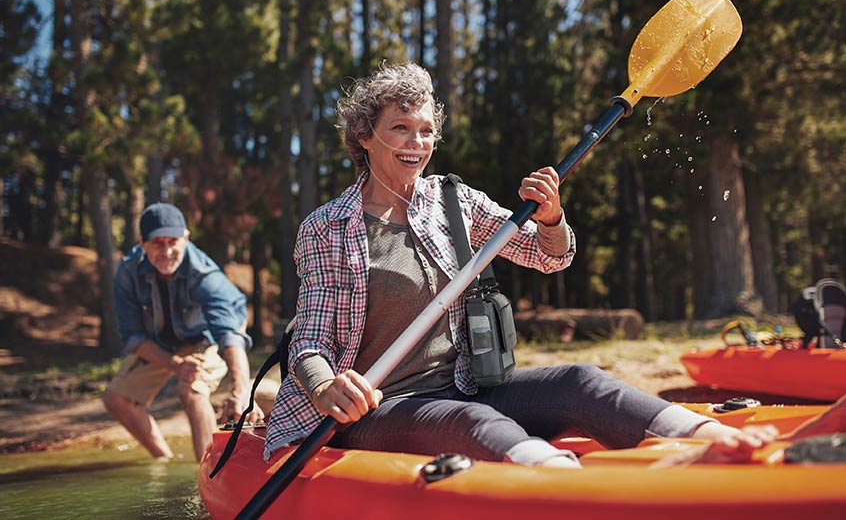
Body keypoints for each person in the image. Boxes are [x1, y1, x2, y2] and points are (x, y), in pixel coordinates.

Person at [264, 61, 775, 467]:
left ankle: (720, 441)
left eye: (425, 130)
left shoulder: (452, 201)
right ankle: (564, 486)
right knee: (468, 421)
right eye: (400, 128)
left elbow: (546, 256)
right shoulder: (328, 227)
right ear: (364, 137)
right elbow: (311, 340)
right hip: (376, 408)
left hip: (463, 383)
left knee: (580, 380)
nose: (416, 143)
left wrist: (552, 218)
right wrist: (326, 384)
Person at [103, 203, 264, 461]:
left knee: (192, 388)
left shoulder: (203, 273)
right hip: (162, 342)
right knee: (116, 399)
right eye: (157, 243)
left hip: (208, 335)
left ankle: (209, 470)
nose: (166, 251)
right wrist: (175, 364)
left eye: (173, 241)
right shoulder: (127, 271)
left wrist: (240, 390)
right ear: (142, 243)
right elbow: (133, 336)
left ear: (186, 238)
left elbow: (229, 334)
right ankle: (164, 461)